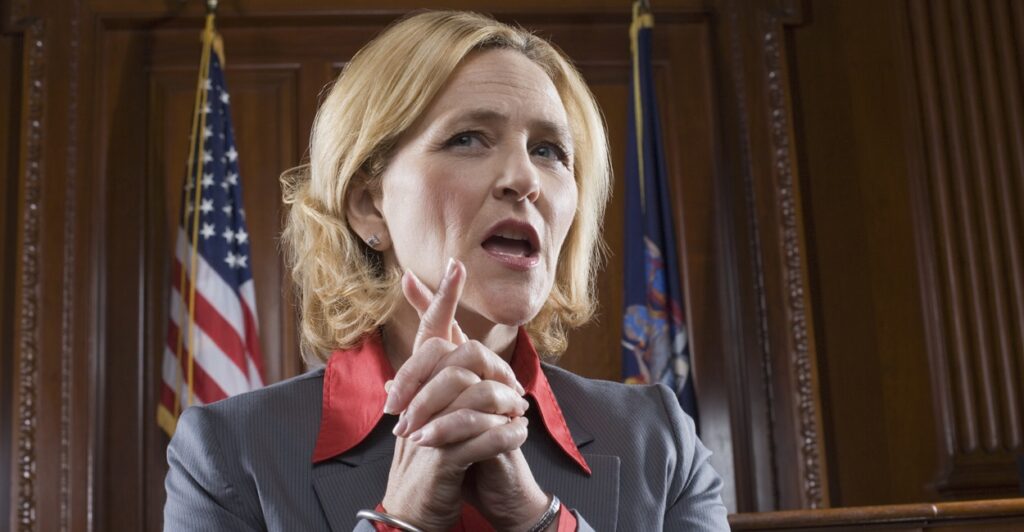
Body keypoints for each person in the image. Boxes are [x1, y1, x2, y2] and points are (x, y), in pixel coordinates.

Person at [163, 10, 729, 531]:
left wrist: (538, 521)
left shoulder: (659, 440)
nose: (525, 179)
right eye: (468, 139)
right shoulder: (227, 451)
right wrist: (401, 521)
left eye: (549, 150)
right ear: (368, 205)